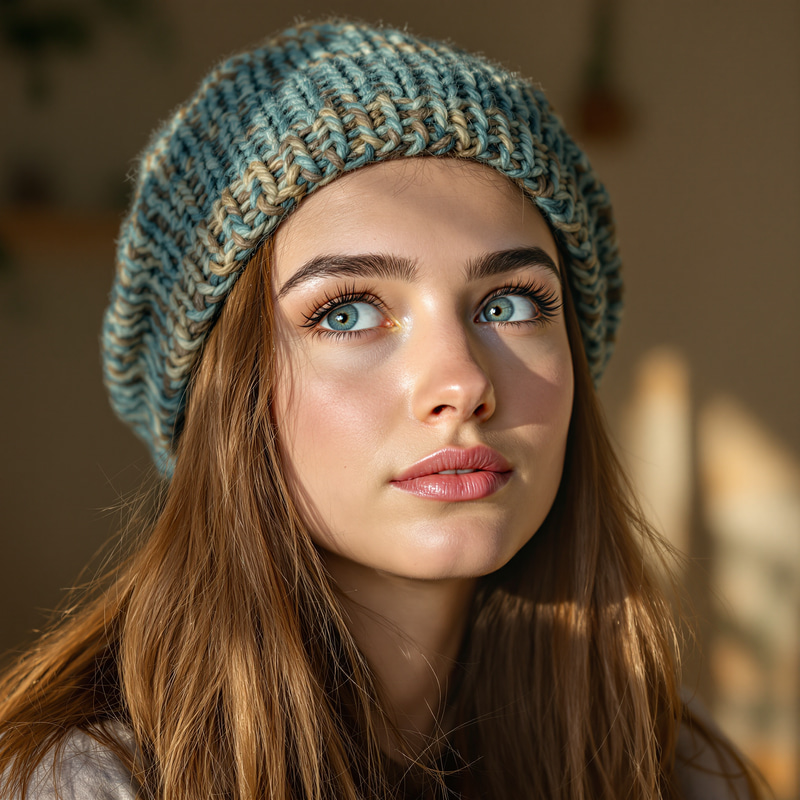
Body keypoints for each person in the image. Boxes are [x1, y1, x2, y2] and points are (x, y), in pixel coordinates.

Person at [0, 19, 766, 800]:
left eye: (508, 302)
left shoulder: (668, 765)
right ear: (227, 394)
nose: (462, 382)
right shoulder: (86, 781)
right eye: (347, 313)